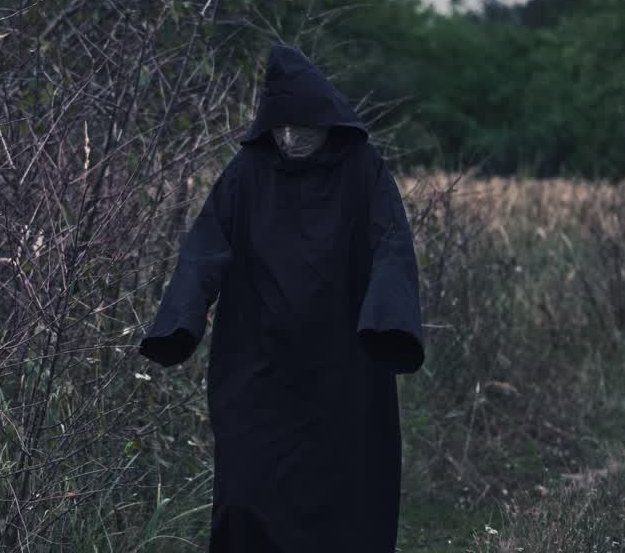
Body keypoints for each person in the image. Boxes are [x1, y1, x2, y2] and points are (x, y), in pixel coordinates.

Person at [139, 43, 425, 553]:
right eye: (282, 125)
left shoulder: (363, 170)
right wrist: (177, 325)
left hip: (343, 370)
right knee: (247, 493)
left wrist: (390, 324)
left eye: (303, 125)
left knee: (344, 495)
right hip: (257, 366)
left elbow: (391, 247)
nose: (292, 137)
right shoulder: (245, 174)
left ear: (325, 119)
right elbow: (204, 251)